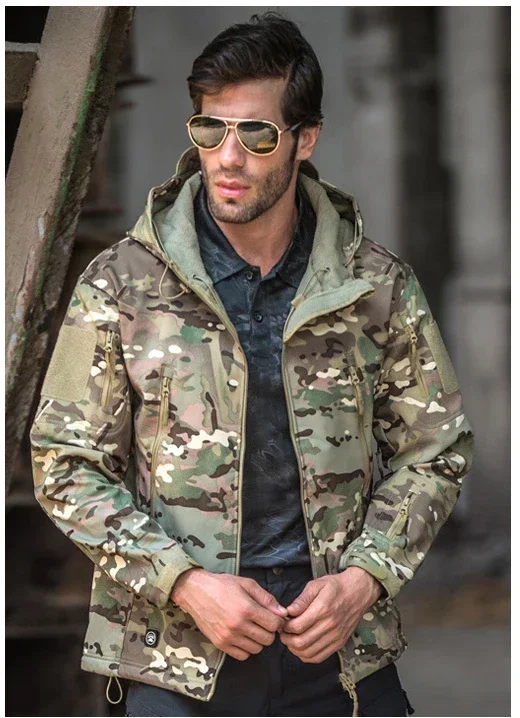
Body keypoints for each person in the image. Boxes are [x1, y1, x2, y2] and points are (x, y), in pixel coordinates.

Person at [30, 12, 474, 718]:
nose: (227, 157)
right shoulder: (121, 284)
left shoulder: (375, 286)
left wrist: (364, 578)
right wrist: (183, 582)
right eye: (210, 130)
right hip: (177, 661)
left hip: (339, 653)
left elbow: (436, 450)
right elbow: (64, 462)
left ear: (305, 138)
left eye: (257, 134)